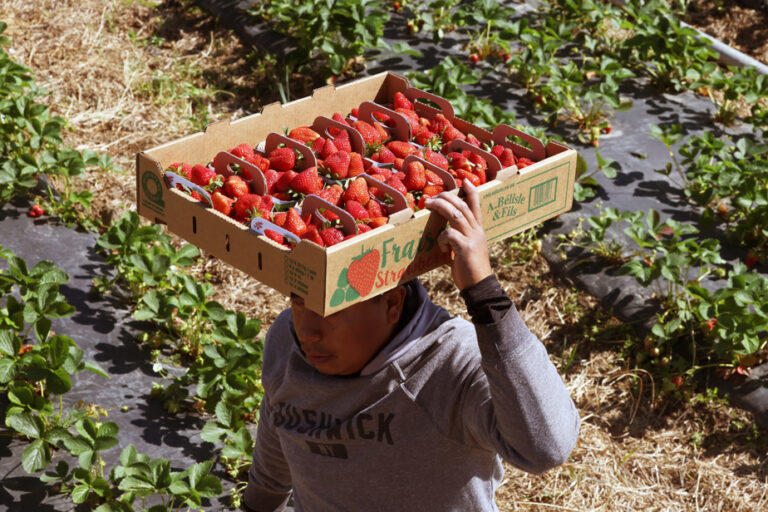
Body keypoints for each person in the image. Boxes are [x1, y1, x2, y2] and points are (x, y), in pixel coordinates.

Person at [242, 179, 580, 511]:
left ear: (392, 306)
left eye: (332, 310)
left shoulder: (448, 363)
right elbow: (280, 427)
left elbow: (545, 447)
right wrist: (259, 503)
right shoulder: (288, 338)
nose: (308, 331)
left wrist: (484, 293)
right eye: (299, 301)